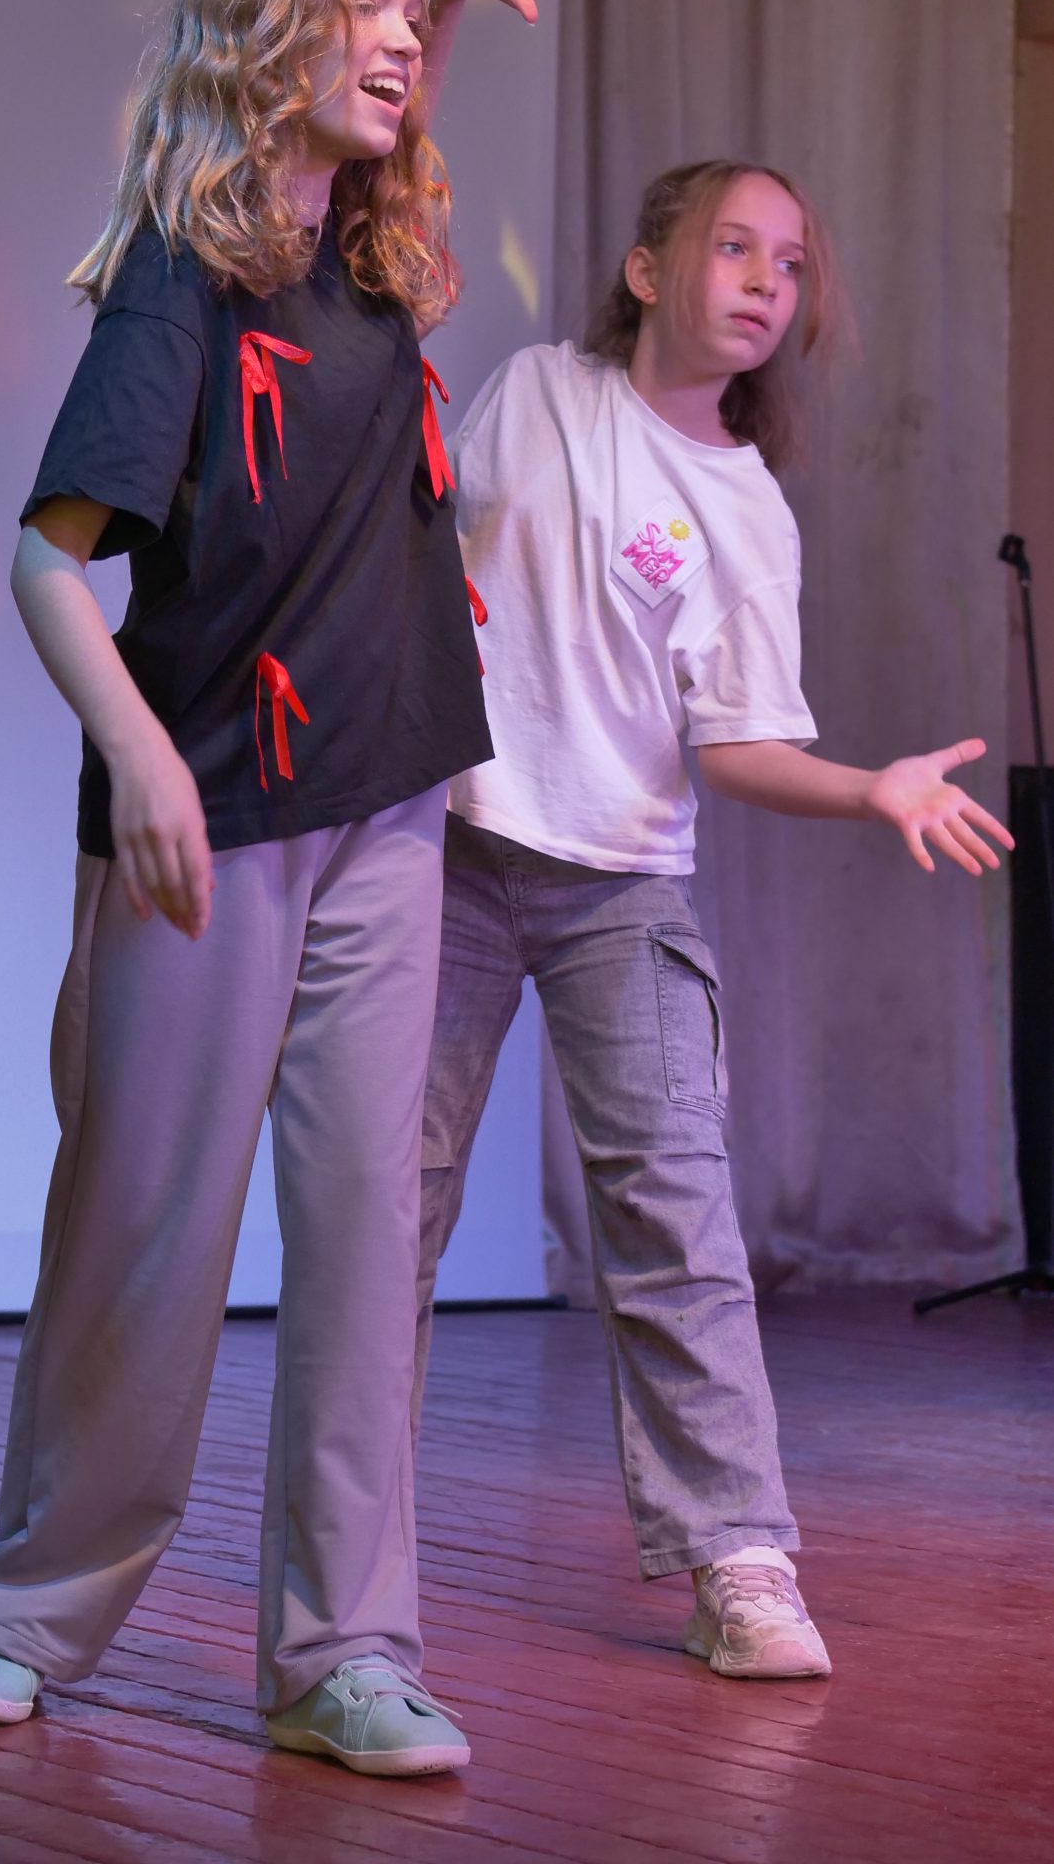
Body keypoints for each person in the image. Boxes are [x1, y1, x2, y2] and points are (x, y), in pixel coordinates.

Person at [0, 0, 525, 1776]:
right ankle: (20, 1611)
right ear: (267, 43)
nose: (400, 43)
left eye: (406, 16)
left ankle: (345, 1654)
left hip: (384, 807)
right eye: (364, 10)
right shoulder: (182, 281)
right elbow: (46, 564)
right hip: (211, 824)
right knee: (149, 1228)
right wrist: (143, 760)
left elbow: (375, 115)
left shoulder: (369, 256)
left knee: (363, 1242)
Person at [416, 157, 1013, 1680]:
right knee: (385, 1205)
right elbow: (421, 565)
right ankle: (343, 1544)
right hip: (448, 856)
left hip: (622, 888)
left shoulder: (749, 512)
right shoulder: (538, 393)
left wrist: (870, 786)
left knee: (676, 1217)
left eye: (790, 264)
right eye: (735, 247)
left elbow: (734, 747)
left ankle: (738, 1562)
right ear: (645, 270)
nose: (765, 282)